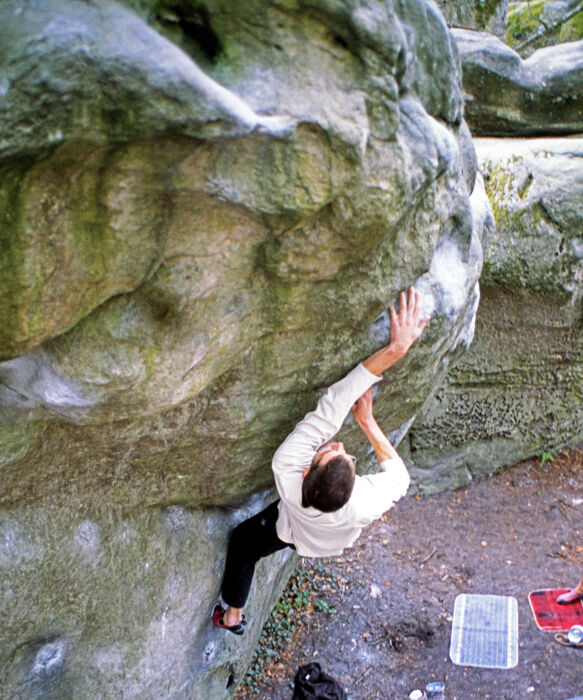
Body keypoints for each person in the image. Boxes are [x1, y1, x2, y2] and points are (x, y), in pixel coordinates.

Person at [213, 287, 429, 634]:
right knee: (255, 541)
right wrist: (368, 422)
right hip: (324, 540)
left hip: (293, 527)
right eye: (344, 453)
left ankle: (232, 614)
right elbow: (399, 477)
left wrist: (394, 351)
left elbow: (334, 404)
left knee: (244, 543)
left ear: (306, 470)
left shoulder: (286, 469)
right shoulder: (363, 503)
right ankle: (233, 617)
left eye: (334, 451)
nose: (340, 444)